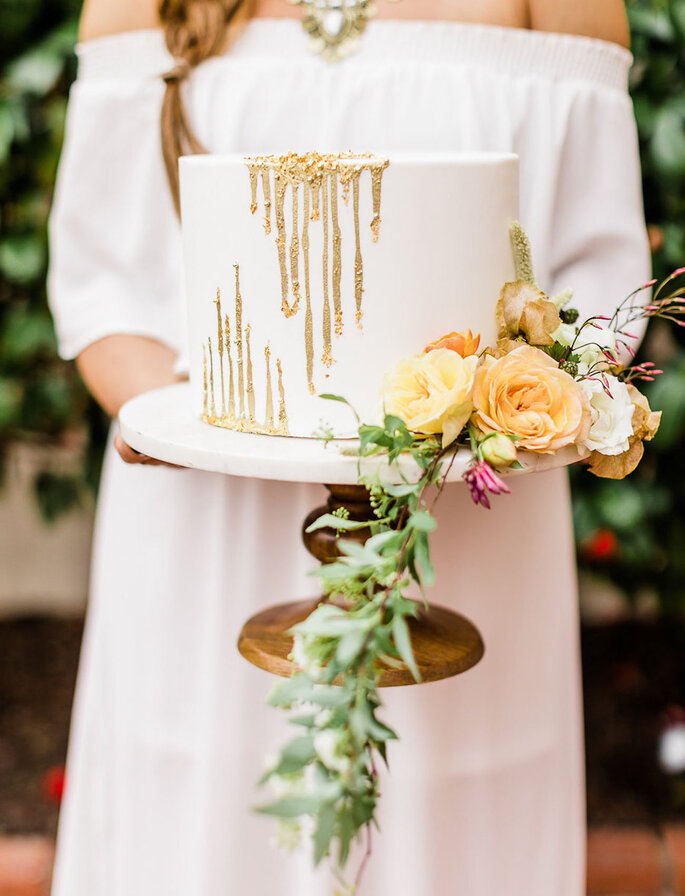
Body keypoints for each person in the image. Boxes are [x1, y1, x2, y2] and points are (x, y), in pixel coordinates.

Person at [47, 1, 649, 894]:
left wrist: (497, 418)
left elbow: (602, 287)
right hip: (203, 533)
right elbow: (104, 289)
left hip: (463, 533)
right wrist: (225, 433)